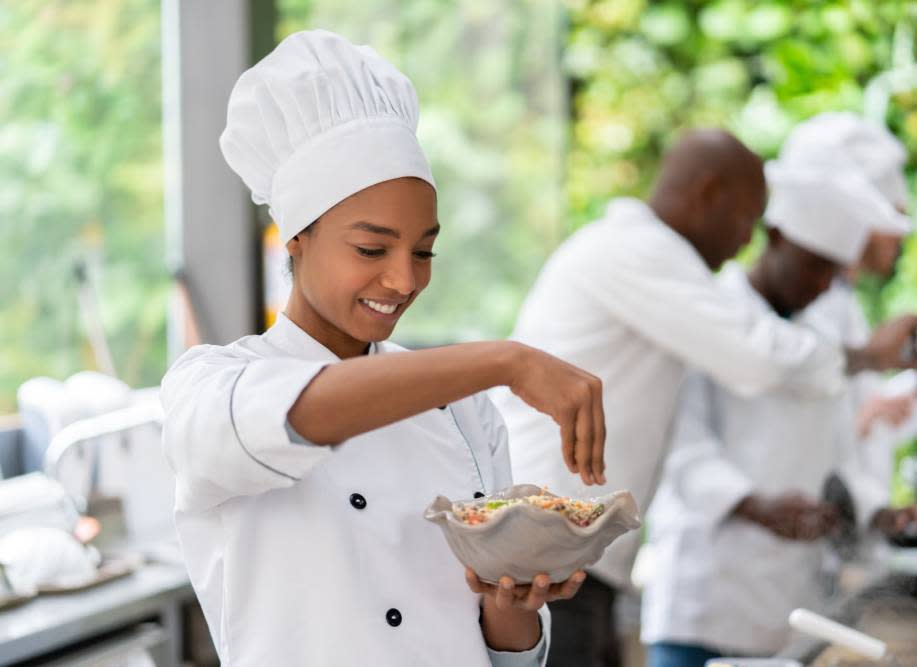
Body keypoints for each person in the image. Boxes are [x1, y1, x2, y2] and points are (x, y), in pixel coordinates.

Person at [160, 31, 609, 667]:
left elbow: (497, 650)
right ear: (296, 238)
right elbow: (300, 413)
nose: (404, 280)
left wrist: (514, 608)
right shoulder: (210, 385)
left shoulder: (464, 413)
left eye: (424, 250)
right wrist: (508, 360)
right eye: (372, 249)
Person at [492, 130, 917, 667]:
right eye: (746, 219)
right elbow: (757, 358)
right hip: (548, 553)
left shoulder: (654, 259)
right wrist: (871, 355)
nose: (745, 241)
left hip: (580, 558)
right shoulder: (639, 250)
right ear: (707, 193)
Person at [640, 162, 917, 666]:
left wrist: (877, 510)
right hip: (704, 603)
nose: (821, 286)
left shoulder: (822, 338)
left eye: (833, 274)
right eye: (813, 267)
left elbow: (843, 454)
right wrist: (756, 506)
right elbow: (682, 450)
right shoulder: (711, 313)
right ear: (772, 237)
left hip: (791, 609)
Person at [788, 113, 917, 511]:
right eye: (890, 214)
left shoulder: (842, 302)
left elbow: (858, 418)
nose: (899, 233)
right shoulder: (798, 306)